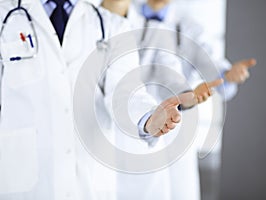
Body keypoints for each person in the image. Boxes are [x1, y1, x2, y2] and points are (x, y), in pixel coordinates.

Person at [0, 0, 208, 199]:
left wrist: (148, 118)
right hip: (22, 175)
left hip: (87, 176)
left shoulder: (112, 25)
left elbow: (125, 91)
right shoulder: (5, 17)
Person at [131, 0, 257, 199]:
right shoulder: (122, 15)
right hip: (131, 124)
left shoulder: (188, 27)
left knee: (178, 191)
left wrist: (228, 75)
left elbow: (212, 67)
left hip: (176, 125)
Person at [101, 0, 225, 200]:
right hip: (96, 142)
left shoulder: (157, 30)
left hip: (145, 131)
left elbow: (169, 72)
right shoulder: (82, 21)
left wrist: (187, 96)